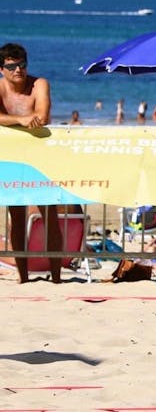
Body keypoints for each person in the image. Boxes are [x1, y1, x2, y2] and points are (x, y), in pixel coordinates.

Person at [0, 42, 62, 283]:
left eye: (22, 65)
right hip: (13, 156)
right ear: (2, 69)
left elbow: (43, 115)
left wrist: (16, 120)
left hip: (40, 157)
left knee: (50, 215)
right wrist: (22, 120)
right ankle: (23, 277)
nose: (18, 70)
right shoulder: (1, 88)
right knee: (16, 216)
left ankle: (56, 277)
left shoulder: (39, 84)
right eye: (12, 66)